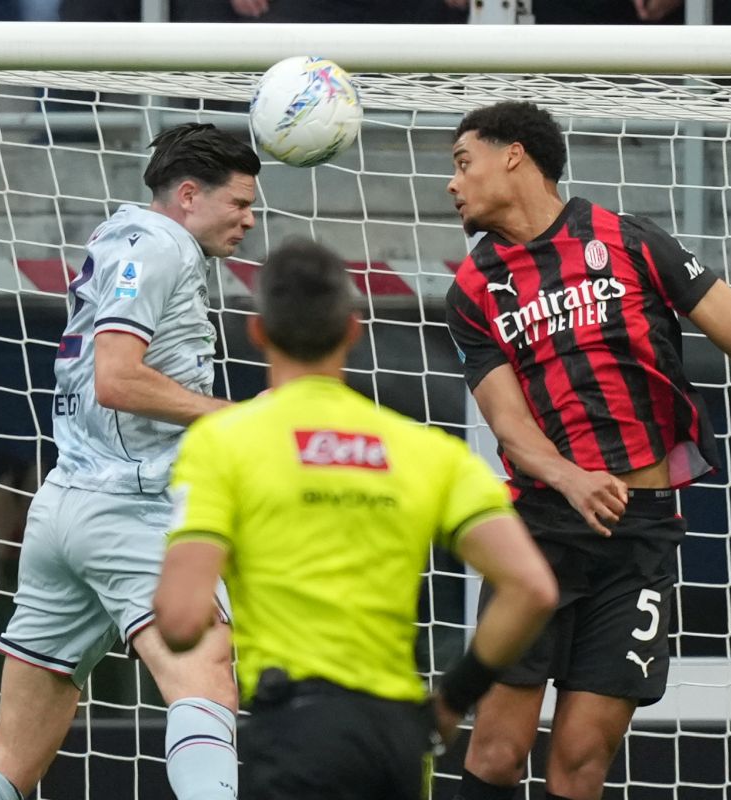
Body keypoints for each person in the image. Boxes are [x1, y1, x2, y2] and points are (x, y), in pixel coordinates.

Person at [443, 100, 731, 800]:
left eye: (463, 162)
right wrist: (571, 477)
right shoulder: (472, 290)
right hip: (539, 533)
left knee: (579, 762)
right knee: (495, 751)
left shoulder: (633, 243)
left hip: (639, 535)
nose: (452, 183)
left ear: (514, 154)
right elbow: (509, 426)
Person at [152, 237, 559, 800]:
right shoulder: (423, 449)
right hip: (396, 736)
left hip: (295, 731)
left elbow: (178, 620)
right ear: (352, 329)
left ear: (258, 333)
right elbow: (533, 588)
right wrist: (452, 701)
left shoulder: (224, 443)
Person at [0, 122, 263, 800]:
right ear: (188, 195)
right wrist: (238, 418)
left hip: (64, 507)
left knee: (11, 761)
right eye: (239, 202)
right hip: (133, 504)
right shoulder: (160, 249)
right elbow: (117, 379)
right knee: (206, 682)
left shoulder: (119, 235)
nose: (250, 218)